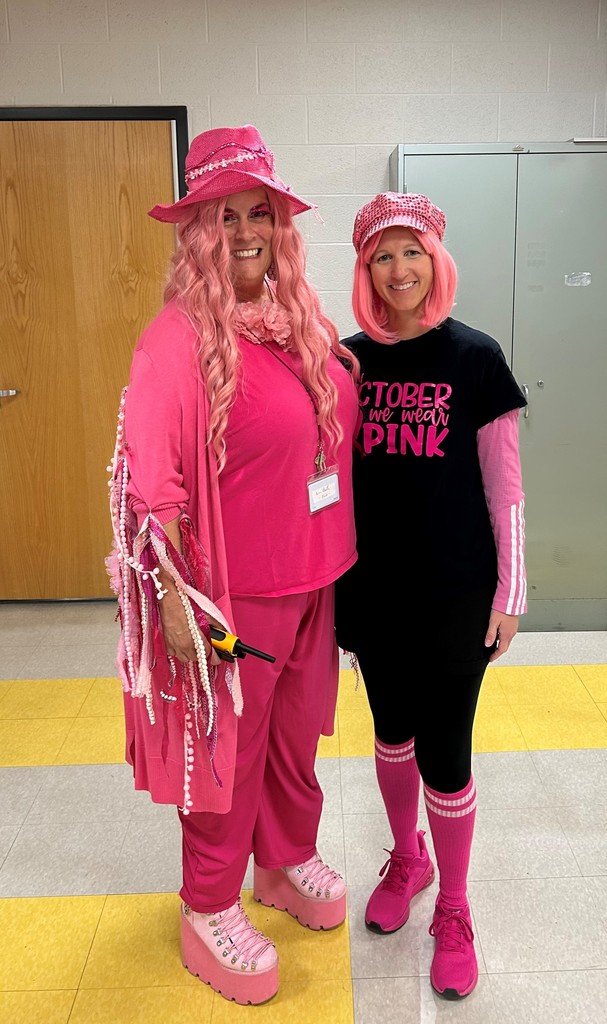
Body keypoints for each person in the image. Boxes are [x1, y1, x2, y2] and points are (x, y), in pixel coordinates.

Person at [106, 125, 360, 1006]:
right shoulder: (174, 340)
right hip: (233, 597)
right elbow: (150, 483)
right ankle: (208, 905)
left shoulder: (300, 327)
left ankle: (284, 862)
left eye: (260, 213)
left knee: (293, 741)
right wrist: (173, 598)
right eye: (226, 217)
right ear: (199, 232)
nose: (246, 231)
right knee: (225, 757)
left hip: (315, 575)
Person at [335, 192, 527, 1000]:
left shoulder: (474, 358)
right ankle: (405, 858)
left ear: (435, 259)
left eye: (411, 251)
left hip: (455, 592)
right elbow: (325, 477)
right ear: (364, 271)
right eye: (382, 255)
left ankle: (453, 906)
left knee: (446, 756)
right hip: (372, 589)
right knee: (390, 734)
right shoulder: (344, 361)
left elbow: (504, 484)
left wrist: (510, 590)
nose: (398, 268)